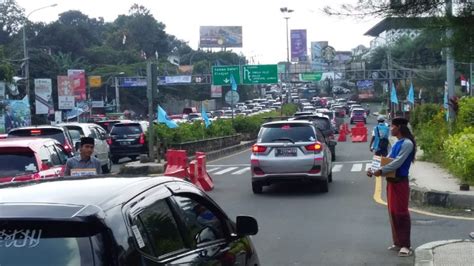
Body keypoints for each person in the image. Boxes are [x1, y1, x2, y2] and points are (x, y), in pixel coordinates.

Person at [367, 117, 416, 257]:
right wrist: (373, 168)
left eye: (393, 126)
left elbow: (397, 163)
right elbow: (386, 159)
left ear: (400, 127)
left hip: (401, 183)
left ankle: (406, 245)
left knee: (401, 213)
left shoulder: (407, 143)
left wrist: (381, 171)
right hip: (391, 182)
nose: (390, 129)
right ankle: (398, 242)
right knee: (393, 212)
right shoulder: (396, 143)